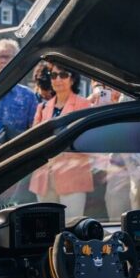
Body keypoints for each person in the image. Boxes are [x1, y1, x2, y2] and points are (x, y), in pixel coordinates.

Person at [28, 64, 93, 217]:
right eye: (53, 75)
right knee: (47, 229)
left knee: (72, 226)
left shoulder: (84, 105)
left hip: (72, 177)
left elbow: (88, 143)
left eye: (63, 75)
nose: (58, 79)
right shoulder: (43, 107)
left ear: (72, 79)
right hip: (44, 178)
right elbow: (33, 140)